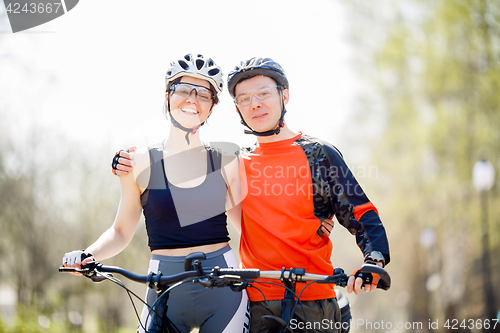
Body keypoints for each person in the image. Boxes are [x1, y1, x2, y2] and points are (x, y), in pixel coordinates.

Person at [114, 57, 390, 333]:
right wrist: (127, 161)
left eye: (264, 94)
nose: (255, 104)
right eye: (244, 99)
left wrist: (372, 261)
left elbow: (361, 213)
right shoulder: (235, 163)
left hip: (312, 300)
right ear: (237, 110)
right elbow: (175, 174)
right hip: (255, 302)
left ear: (285, 96)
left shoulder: (319, 154)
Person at [62, 53, 250, 333]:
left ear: (212, 106)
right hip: (163, 288)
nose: (192, 99)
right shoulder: (137, 162)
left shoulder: (227, 161)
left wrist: (310, 224)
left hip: (223, 288)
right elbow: (121, 231)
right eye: (184, 89)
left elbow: (250, 228)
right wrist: (88, 254)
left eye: (204, 94)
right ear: (167, 95)